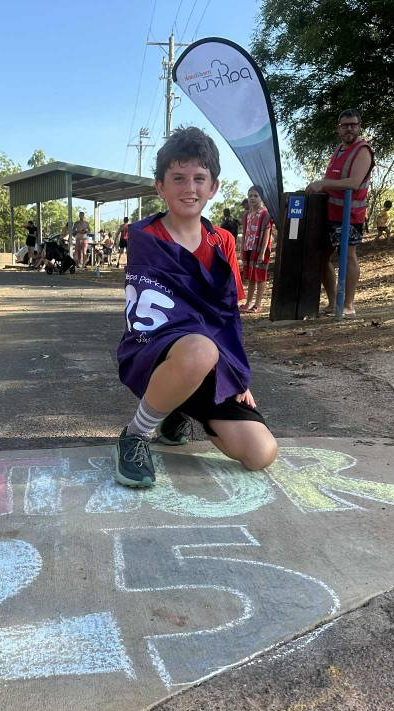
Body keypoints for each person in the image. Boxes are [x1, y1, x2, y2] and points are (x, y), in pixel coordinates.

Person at [114, 126, 278, 488]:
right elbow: (155, 315)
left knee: (260, 453)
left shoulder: (223, 241)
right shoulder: (144, 236)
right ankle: (136, 434)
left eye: (199, 178)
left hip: (210, 358)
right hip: (155, 348)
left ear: (214, 186)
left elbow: (226, 316)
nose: (190, 188)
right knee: (199, 349)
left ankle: (179, 405)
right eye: (178, 178)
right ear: (160, 186)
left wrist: (237, 375)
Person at [305, 109, 374, 317]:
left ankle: (348, 305)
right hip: (330, 213)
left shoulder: (362, 150)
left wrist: (323, 183)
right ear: (339, 128)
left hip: (349, 215)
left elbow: (353, 183)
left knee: (348, 256)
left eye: (353, 124)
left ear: (359, 126)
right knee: (322, 257)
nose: (349, 128)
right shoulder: (339, 150)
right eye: (345, 125)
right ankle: (334, 301)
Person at [240, 186, 274, 314]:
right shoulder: (247, 215)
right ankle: (248, 303)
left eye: (256, 196)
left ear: (261, 198)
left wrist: (262, 252)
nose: (253, 198)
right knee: (251, 277)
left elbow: (267, 235)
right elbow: (244, 234)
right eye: (250, 196)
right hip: (249, 249)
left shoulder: (265, 214)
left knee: (260, 277)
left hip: (260, 250)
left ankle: (258, 304)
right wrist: (243, 250)